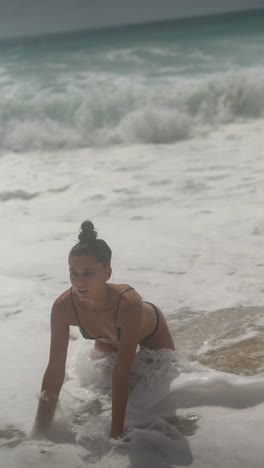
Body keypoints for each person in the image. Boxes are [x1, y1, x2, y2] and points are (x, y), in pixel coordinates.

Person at [32, 221, 175, 440]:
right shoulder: (63, 307)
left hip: (150, 334)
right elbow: (54, 370)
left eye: (88, 273)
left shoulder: (128, 303)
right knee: (100, 391)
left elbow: (122, 372)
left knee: (158, 400)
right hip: (108, 338)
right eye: (73, 273)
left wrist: (115, 437)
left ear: (107, 272)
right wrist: (40, 430)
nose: (79, 281)